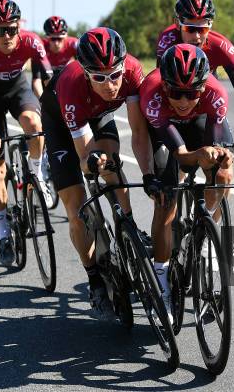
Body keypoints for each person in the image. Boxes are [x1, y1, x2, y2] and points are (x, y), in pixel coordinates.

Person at [41, 27, 152, 319]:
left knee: (112, 165)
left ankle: (127, 227)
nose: (110, 84)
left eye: (114, 75)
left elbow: (139, 131)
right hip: (62, 123)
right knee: (77, 210)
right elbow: (84, 157)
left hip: (98, 114)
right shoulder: (71, 83)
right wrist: (92, 163)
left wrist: (148, 173)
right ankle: (94, 279)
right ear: (87, 73)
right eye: (99, 78)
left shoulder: (132, 71)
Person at [140, 44, 234, 321]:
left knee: (223, 173)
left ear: (202, 87)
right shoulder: (152, 94)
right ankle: (161, 280)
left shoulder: (216, 94)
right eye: (175, 92)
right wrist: (198, 156)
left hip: (202, 122)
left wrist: (217, 157)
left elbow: (211, 148)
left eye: (191, 93)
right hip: (167, 130)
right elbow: (181, 156)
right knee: (165, 201)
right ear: (165, 86)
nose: (183, 100)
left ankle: (206, 234)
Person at [0, 0, 53, 266]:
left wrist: (56, 112)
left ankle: (37, 174)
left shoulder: (31, 41)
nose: (6, 35)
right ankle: (3, 232)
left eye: (11, 29)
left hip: (18, 90)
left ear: (19, 26)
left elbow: (48, 81)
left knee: (34, 124)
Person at [155, 0, 234, 167]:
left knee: (224, 170)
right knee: (170, 180)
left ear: (211, 25)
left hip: (205, 102)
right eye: (190, 29)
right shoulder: (167, 41)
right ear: (178, 23)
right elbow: (161, 85)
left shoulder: (221, 47)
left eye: (202, 29)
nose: (197, 37)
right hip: (174, 104)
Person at [31, 16, 78, 97]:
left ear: (66, 36)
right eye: (53, 39)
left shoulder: (73, 44)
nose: (56, 43)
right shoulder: (40, 46)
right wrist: (43, 102)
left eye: (59, 39)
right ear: (47, 37)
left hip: (63, 79)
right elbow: (36, 80)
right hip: (44, 79)